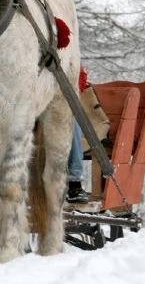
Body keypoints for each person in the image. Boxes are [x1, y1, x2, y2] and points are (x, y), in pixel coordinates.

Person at [67, 67, 91, 204]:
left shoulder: (70, 54)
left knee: (72, 123)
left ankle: (74, 183)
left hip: (62, 102)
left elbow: (80, 76)